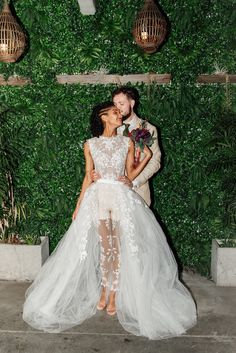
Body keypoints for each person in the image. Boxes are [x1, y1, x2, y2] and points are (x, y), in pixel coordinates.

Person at [22, 102, 197, 340]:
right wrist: (78, 205)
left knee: (120, 247)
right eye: (114, 112)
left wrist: (145, 156)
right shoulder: (90, 144)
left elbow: (130, 174)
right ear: (103, 117)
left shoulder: (126, 142)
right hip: (99, 197)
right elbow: (87, 176)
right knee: (107, 247)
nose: (119, 114)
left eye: (119, 111)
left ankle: (113, 294)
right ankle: (104, 289)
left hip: (121, 197)